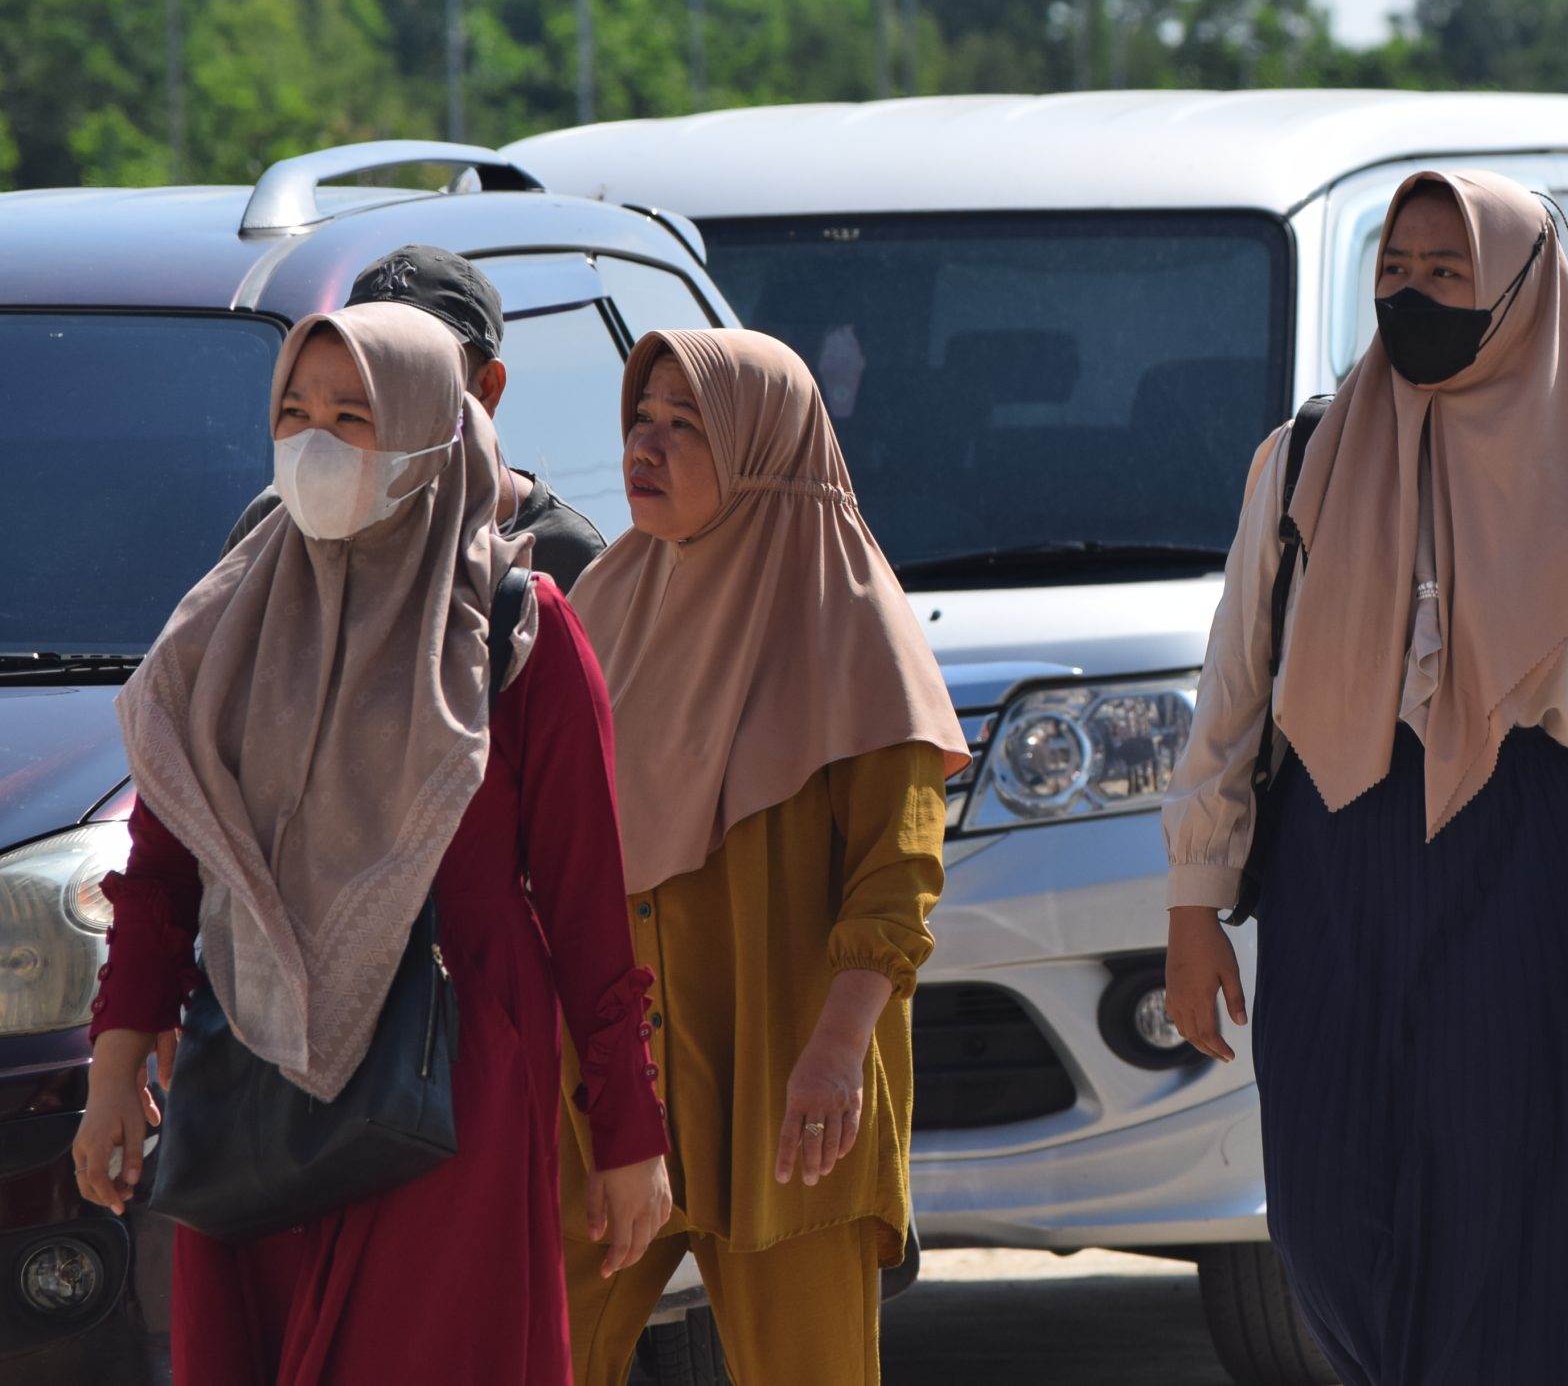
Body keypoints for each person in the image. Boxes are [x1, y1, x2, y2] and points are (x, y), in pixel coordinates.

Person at [1160, 170, 1568, 1386]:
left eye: (1448, 274)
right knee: (1329, 1226)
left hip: (1519, 880)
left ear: (1521, 295)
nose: (1414, 296)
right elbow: (1231, 695)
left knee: (1508, 1236)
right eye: (1395, 272)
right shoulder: (1299, 465)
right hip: (1333, 870)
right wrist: (1192, 902)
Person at [72, 303, 673, 1383]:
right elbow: (166, 863)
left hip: (450, 1077)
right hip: (257, 1062)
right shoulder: (225, 623)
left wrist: (628, 1136)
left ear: (432, 431)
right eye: (294, 412)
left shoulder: (516, 625)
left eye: (354, 415)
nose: (315, 442)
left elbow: (590, 911)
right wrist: (118, 1059)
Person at [558, 329, 968, 1386]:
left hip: (787, 1089)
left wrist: (836, 1050)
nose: (645, 447)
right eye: (640, 419)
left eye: (686, 425)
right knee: (539, 1354)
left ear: (765, 448)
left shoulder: (850, 621)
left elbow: (899, 867)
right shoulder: (602, 602)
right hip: (613, 1090)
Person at [225, 245, 606, 588]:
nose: (389, 390)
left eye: (420, 366)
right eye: (369, 360)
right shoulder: (275, 522)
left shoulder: (564, 555)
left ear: (487, 387)